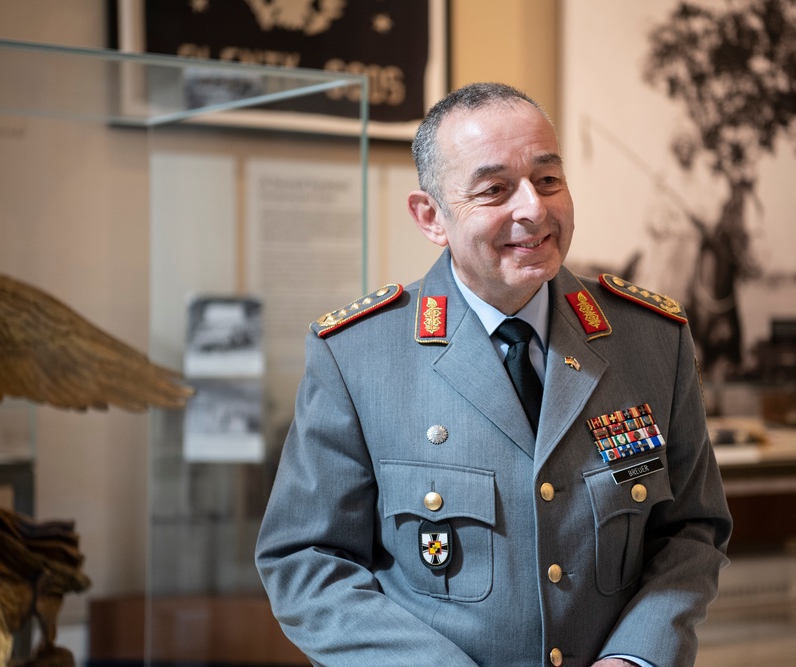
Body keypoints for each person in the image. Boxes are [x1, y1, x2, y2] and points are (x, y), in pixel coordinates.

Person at [256, 82, 732, 667]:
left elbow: (692, 530)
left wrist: (638, 656)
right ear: (431, 217)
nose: (533, 208)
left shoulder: (652, 339)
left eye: (548, 180)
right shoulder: (358, 357)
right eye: (495, 189)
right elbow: (306, 560)